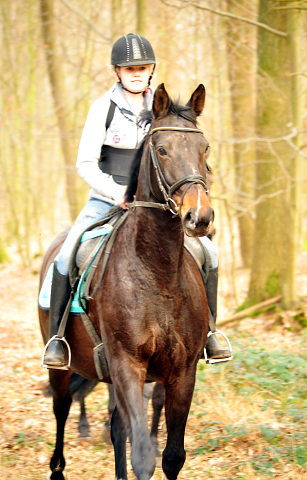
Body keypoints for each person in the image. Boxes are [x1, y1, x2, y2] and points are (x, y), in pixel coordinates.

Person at [42, 33, 231, 369]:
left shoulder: (163, 110)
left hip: (156, 206)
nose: (136, 73)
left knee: (209, 253)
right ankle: (57, 340)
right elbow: (85, 163)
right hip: (107, 199)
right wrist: (115, 193)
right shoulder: (103, 108)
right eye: (129, 68)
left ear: (151, 70)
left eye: (142, 67)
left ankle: (210, 333)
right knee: (67, 253)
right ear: (117, 71)